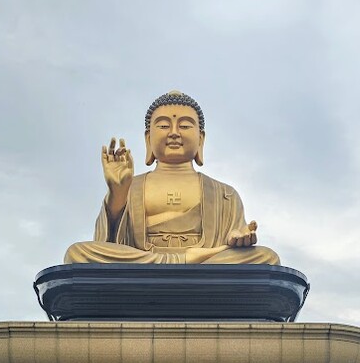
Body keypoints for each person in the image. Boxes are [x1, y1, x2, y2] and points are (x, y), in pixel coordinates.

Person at [64, 91, 280, 266]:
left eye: (185, 126)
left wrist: (239, 238)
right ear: (148, 138)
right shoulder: (132, 186)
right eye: (164, 126)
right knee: (78, 253)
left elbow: (236, 234)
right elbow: (108, 241)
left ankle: (194, 260)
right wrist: (118, 193)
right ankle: (189, 261)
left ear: (200, 139)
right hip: (143, 262)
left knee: (266, 259)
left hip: (207, 263)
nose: (174, 132)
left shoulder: (224, 194)